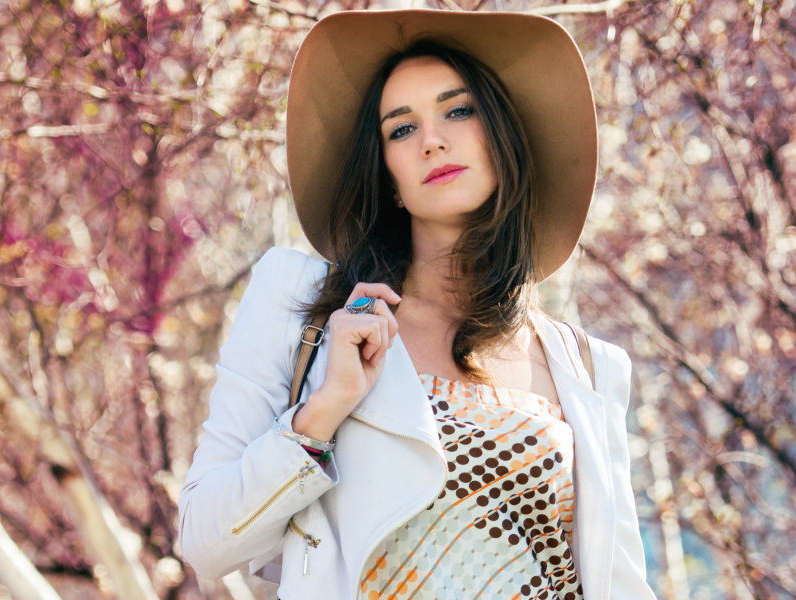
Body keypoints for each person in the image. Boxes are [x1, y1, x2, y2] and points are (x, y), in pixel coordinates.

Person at [177, 9, 654, 599]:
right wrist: (324, 411)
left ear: (504, 138)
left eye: (459, 110)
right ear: (388, 176)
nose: (432, 139)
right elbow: (203, 541)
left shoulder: (588, 367)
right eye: (401, 129)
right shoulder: (306, 307)